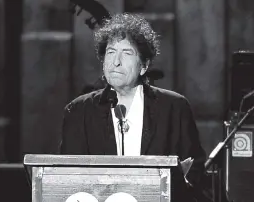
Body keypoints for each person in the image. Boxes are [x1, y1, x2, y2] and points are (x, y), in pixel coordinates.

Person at [59, 13, 207, 201]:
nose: (116, 61)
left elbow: (195, 170)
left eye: (127, 53)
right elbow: (67, 177)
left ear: (144, 66)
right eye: (111, 52)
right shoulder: (79, 111)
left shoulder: (174, 107)